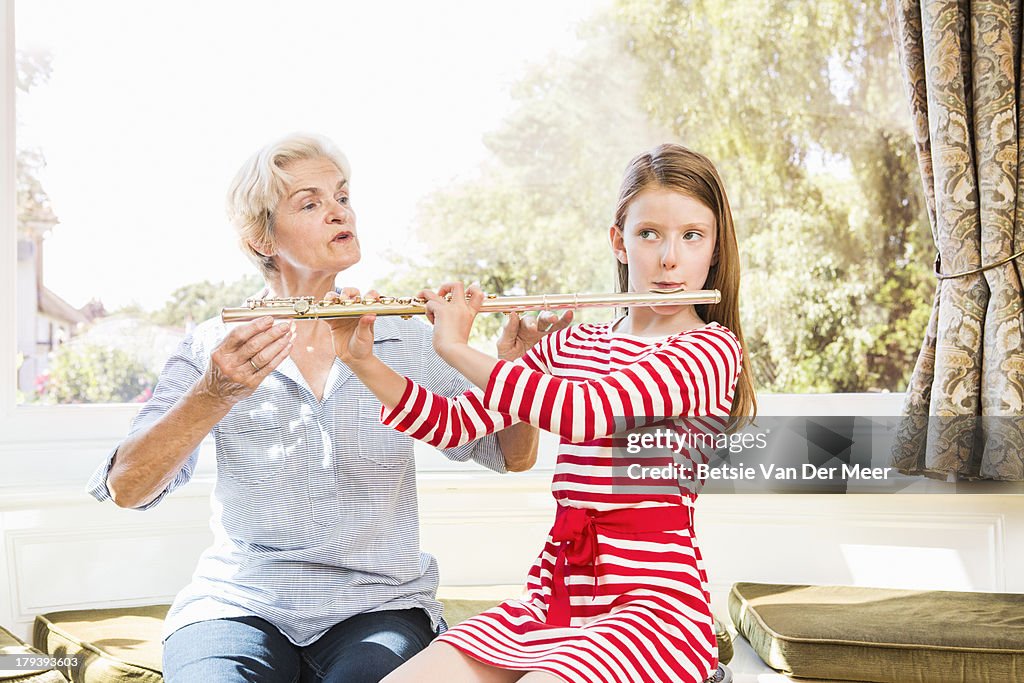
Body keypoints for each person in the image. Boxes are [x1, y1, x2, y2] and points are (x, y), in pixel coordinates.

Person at [85, 133, 570, 683]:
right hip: (240, 603)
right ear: (260, 236)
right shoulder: (213, 346)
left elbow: (509, 454)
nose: (340, 212)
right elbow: (127, 486)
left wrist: (521, 374)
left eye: (342, 196)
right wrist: (213, 393)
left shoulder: (402, 338)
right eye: (311, 203)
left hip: (379, 606)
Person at [327, 143, 756, 683]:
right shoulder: (571, 344)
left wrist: (458, 349)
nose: (669, 258)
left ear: (714, 250)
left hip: (653, 611)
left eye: (692, 236)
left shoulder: (709, 351)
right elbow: (454, 424)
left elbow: (586, 413)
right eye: (649, 233)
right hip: (555, 598)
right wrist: (362, 360)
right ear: (618, 242)